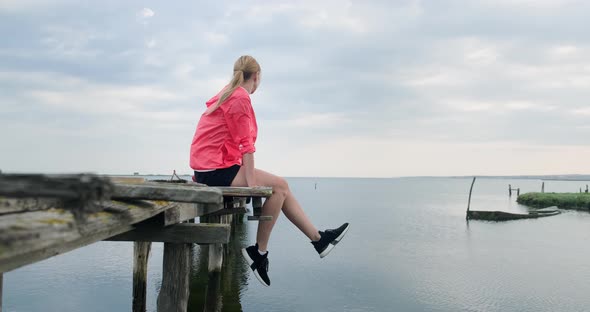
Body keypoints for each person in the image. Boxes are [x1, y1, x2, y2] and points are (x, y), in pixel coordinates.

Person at [189, 55, 349, 287]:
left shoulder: (227, 93)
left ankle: (319, 240)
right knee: (279, 187)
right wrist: (254, 188)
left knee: (281, 187)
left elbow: (216, 139)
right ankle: (260, 253)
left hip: (210, 168)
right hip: (216, 170)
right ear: (256, 76)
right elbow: (246, 147)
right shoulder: (239, 98)